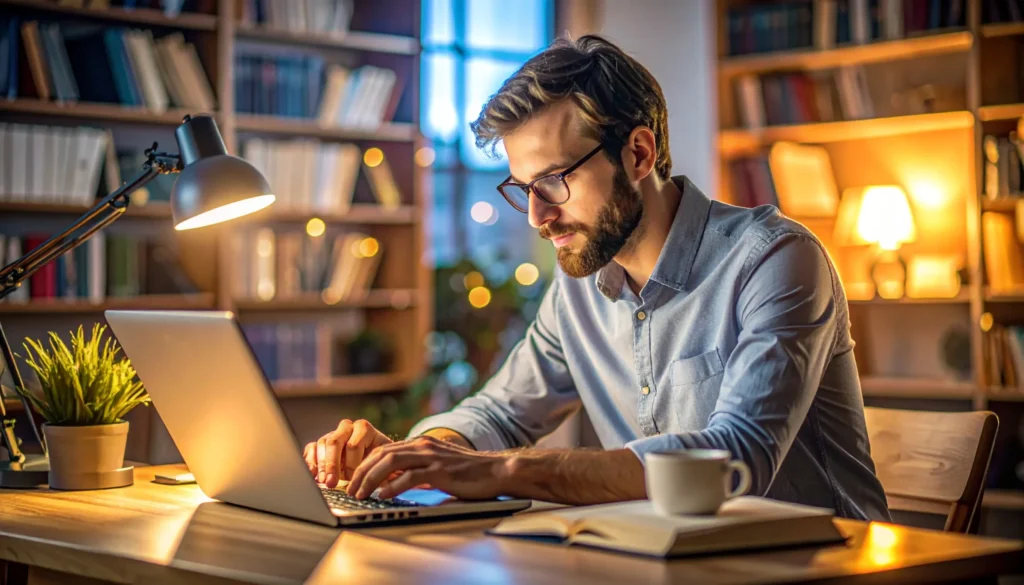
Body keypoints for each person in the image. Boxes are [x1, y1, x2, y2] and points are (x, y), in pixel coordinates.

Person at [303, 34, 891, 521]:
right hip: (670, 563)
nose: (536, 215)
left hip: (824, 568)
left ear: (638, 154)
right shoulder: (582, 284)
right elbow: (501, 414)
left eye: (554, 181)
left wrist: (505, 471)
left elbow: (736, 457)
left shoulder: (776, 259)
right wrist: (419, 454)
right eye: (523, 189)